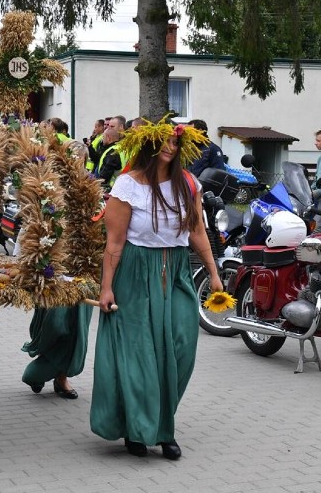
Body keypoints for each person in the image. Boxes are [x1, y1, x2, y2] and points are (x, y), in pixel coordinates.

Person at [91, 117, 222, 461]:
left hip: (176, 271)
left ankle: (159, 420)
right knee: (141, 357)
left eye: (175, 142)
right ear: (148, 144)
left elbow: (196, 232)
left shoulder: (188, 184)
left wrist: (214, 272)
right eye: (163, 141)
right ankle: (147, 430)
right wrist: (107, 288)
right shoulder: (128, 186)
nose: (170, 147)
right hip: (135, 272)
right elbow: (114, 243)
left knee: (181, 348)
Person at [95, 116, 128, 191]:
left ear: (121, 127)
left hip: (113, 188)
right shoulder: (116, 145)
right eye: (108, 126)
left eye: (112, 126)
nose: (108, 128)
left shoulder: (128, 143)